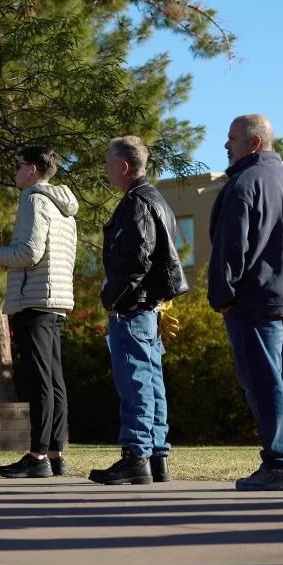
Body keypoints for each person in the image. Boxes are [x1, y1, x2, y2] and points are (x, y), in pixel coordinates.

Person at [210, 114, 283, 491]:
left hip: (257, 301)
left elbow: (229, 250)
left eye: (232, 138)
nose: (226, 145)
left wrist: (222, 297)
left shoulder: (242, 185)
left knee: (264, 383)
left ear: (254, 143)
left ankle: (277, 464)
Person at [89, 136, 188, 486]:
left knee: (135, 382)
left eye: (108, 163)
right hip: (148, 305)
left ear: (124, 167)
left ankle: (136, 455)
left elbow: (136, 258)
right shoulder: (155, 199)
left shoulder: (136, 203)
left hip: (133, 306)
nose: (105, 169)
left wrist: (115, 299)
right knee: (150, 380)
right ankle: (156, 456)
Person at [0, 145, 80, 479]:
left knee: (40, 380)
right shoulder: (64, 206)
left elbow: (29, 252)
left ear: (34, 170)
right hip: (57, 300)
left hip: (34, 299)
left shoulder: (33, 199)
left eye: (18, 164)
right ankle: (55, 454)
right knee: (54, 379)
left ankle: (37, 456)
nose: (15, 170)